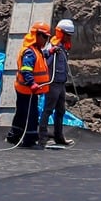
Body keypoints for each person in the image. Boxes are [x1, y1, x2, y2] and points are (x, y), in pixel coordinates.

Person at [5, 22, 52, 148]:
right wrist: (32, 83)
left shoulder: (36, 50)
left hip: (27, 90)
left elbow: (41, 57)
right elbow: (26, 69)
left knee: (21, 113)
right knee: (31, 115)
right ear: (37, 35)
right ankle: (29, 140)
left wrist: (50, 52)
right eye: (44, 37)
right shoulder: (30, 52)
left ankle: (14, 136)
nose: (46, 40)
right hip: (27, 90)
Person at [42, 20, 76, 148]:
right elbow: (45, 62)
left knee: (61, 110)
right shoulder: (52, 47)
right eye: (67, 35)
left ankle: (59, 136)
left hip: (61, 83)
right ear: (61, 33)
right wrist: (52, 53)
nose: (69, 37)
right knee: (48, 110)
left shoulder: (64, 47)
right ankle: (42, 137)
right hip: (53, 83)